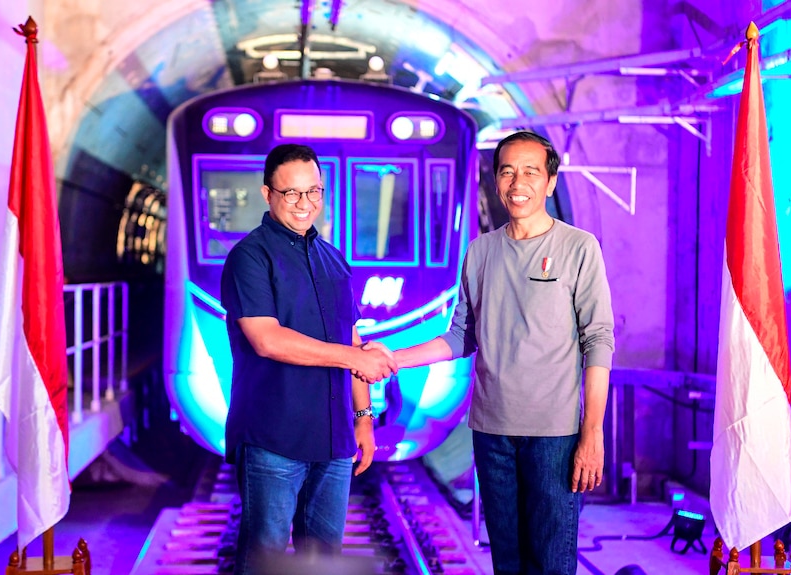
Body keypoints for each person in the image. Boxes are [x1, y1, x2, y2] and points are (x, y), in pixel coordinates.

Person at [387, 131, 615, 575]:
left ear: (550, 182)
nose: (518, 182)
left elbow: (598, 341)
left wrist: (593, 433)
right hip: (491, 432)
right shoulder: (480, 251)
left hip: (555, 436)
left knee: (550, 561)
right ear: (495, 181)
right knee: (507, 562)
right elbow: (460, 337)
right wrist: (394, 358)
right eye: (507, 171)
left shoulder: (579, 247)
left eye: (531, 171)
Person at [219, 143, 397, 574]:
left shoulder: (333, 258)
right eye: (291, 193)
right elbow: (267, 340)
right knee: (265, 558)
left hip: (334, 441)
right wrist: (351, 357)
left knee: (323, 560)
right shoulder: (250, 257)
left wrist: (363, 417)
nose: (305, 204)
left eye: (313, 192)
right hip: (272, 439)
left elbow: (352, 342)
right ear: (267, 194)